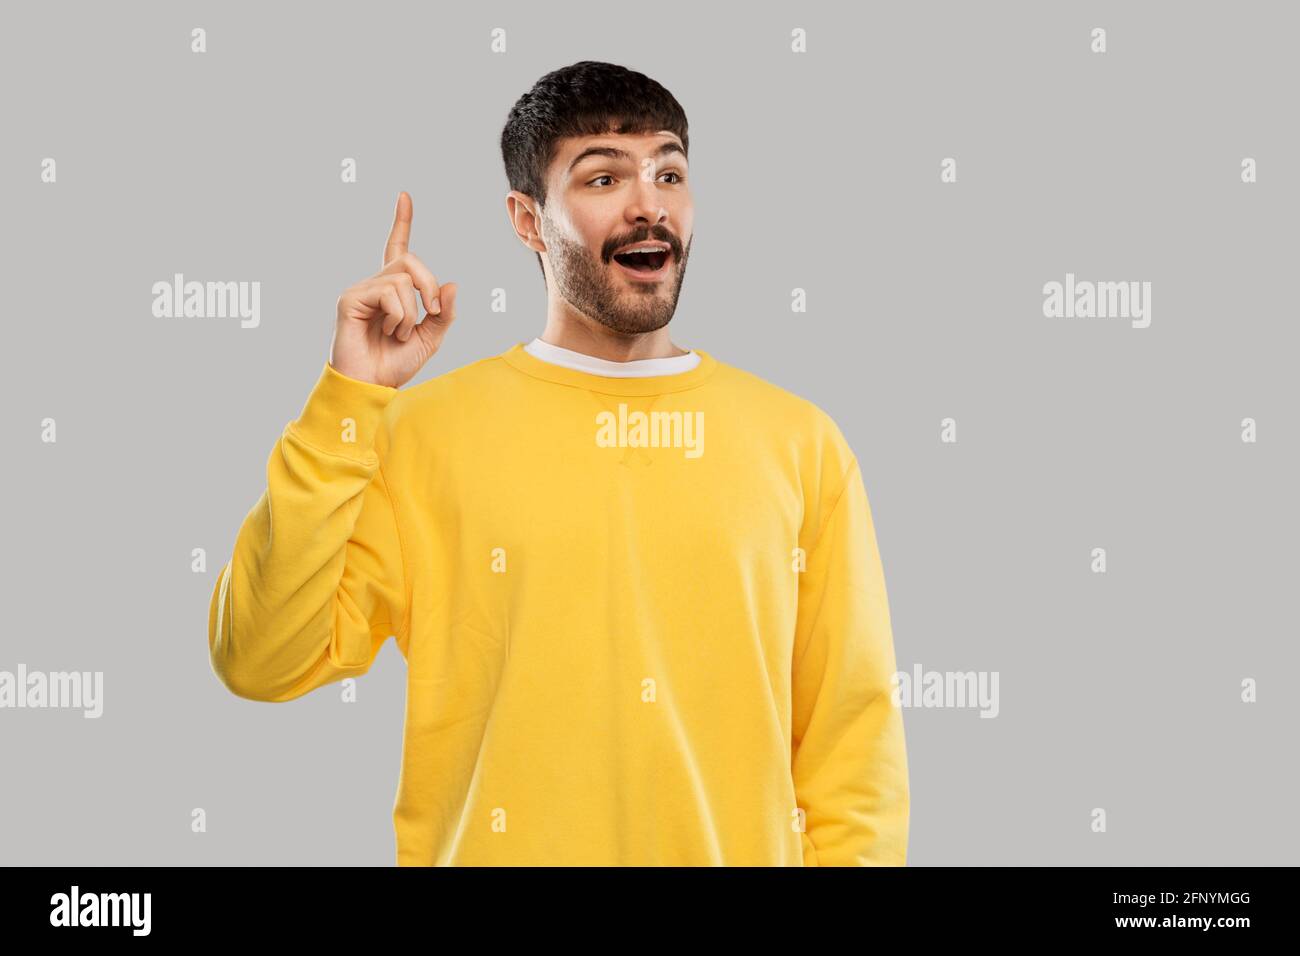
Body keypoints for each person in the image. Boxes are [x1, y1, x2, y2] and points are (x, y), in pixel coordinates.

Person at [207, 60, 909, 866]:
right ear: (527, 219)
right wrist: (347, 402)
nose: (650, 204)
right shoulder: (416, 437)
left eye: (669, 172)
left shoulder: (801, 443)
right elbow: (258, 660)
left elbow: (854, 746)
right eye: (604, 176)